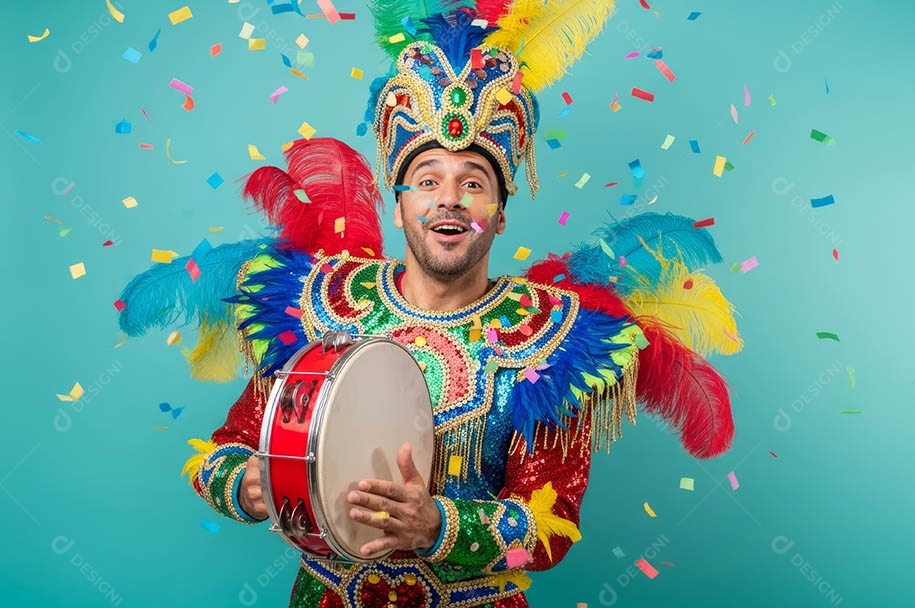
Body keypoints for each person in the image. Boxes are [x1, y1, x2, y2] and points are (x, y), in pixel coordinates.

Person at [119, 4, 742, 607]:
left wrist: (439, 525)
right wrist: (245, 487)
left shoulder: (548, 340)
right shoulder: (323, 308)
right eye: (427, 181)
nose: (449, 200)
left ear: (497, 216)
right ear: (399, 206)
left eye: (473, 182)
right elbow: (223, 451)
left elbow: (549, 532)